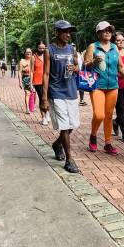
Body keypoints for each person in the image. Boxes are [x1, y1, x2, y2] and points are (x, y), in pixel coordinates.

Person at [42, 20, 81, 173]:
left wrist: (75, 68)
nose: (68, 34)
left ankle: (57, 144)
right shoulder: (49, 50)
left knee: (72, 125)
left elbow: (77, 67)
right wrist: (44, 98)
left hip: (71, 91)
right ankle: (69, 160)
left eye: (69, 32)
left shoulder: (72, 49)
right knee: (64, 126)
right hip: (56, 92)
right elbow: (46, 74)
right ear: (57, 32)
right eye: (65, 31)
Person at [84, 21, 124, 155]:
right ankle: (93, 135)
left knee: (109, 115)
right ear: (98, 33)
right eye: (105, 30)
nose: (108, 32)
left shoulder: (114, 47)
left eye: (110, 30)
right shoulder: (93, 46)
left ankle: (108, 143)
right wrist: (93, 62)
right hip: (97, 85)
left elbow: (121, 67)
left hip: (113, 86)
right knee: (99, 115)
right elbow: (85, 66)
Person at [112, 31, 124, 143]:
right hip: (116, 84)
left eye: (122, 40)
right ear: (114, 42)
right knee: (120, 109)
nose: (121, 42)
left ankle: (116, 122)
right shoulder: (112, 52)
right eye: (118, 40)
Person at [32, 41, 50, 125]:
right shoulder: (33, 57)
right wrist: (31, 83)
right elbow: (32, 71)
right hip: (38, 81)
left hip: (48, 80)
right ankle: (43, 117)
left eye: (43, 48)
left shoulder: (47, 56)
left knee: (48, 98)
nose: (42, 50)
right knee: (42, 99)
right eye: (40, 48)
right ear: (37, 48)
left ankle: (47, 112)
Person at [19, 49, 34, 113]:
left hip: (34, 78)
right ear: (24, 53)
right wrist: (20, 82)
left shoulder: (33, 60)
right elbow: (19, 72)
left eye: (30, 52)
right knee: (27, 93)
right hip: (26, 78)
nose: (28, 53)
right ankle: (27, 108)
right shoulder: (22, 61)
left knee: (33, 93)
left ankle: (32, 107)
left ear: (31, 53)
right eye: (27, 52)